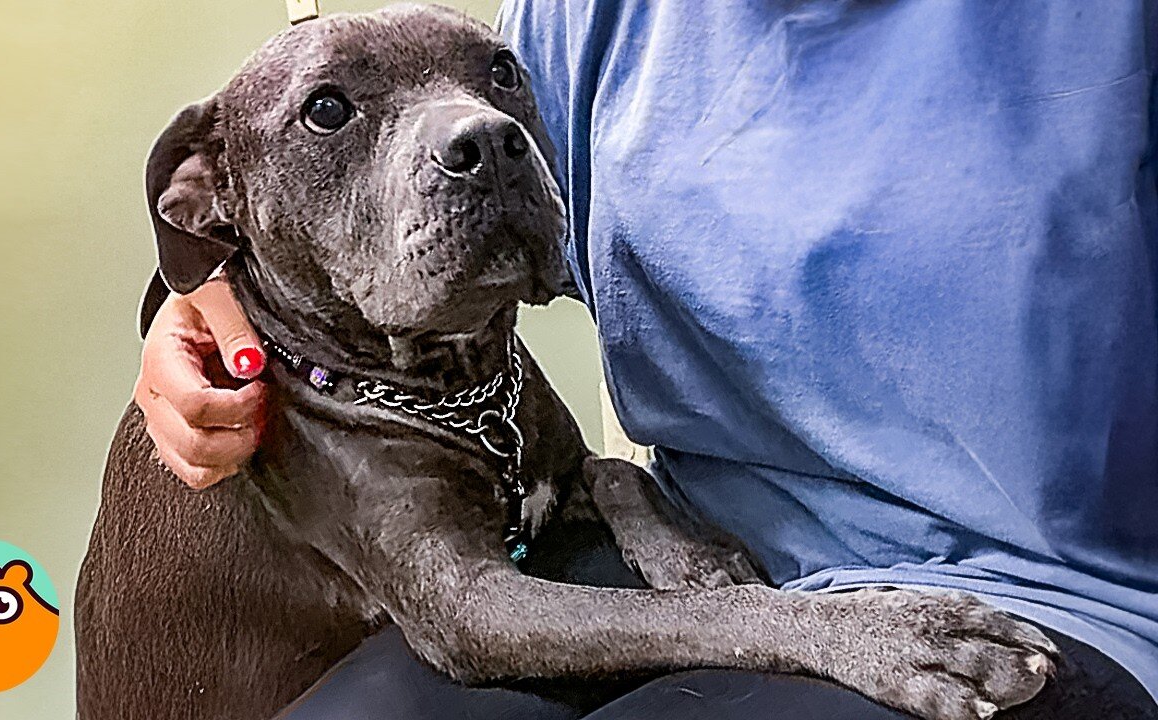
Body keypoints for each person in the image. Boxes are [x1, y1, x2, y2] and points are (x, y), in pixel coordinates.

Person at [132, 1, 1158, 717]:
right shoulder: (587, 18)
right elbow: (418, 222)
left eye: (494, 85)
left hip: (1048, 596)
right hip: (700, 545)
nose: (481, 124)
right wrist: (196, 300)